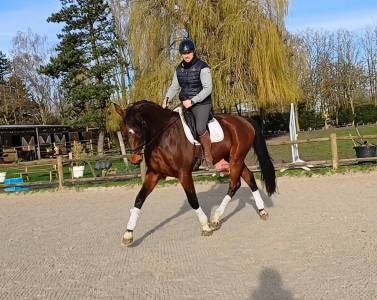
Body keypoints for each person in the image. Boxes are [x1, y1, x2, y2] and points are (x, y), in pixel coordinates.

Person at [163, 38, 214, 170]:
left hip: (202, 103)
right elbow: (175, 86)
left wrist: (192, 101)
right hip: (185, 103)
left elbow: (208, 88)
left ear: (193, 51)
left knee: (200, 128)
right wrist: (166, 99)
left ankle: (208, 158)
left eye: (188, 52)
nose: (186, 55)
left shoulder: (203, 66)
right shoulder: (178, 69)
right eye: (183, 53)